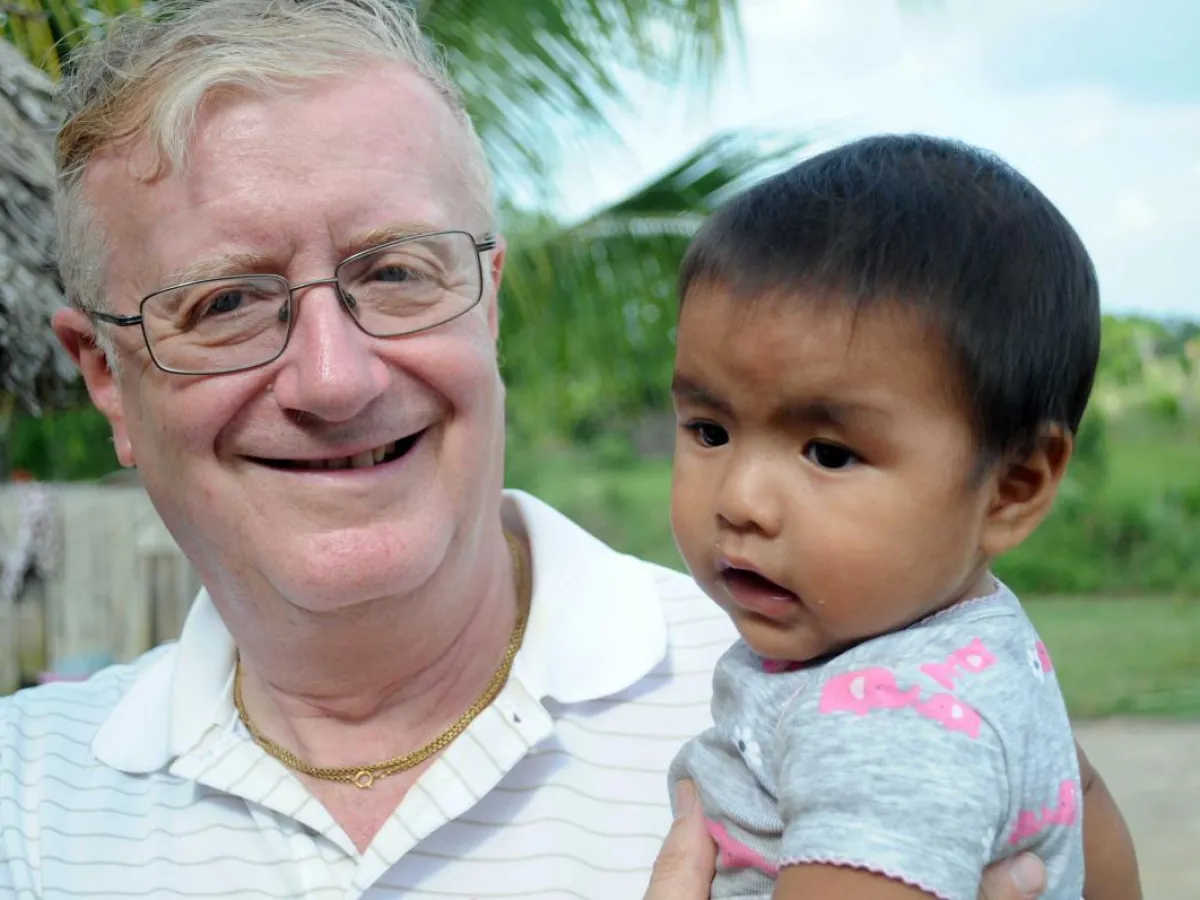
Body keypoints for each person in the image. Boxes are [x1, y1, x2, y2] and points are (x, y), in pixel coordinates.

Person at [0, 1, 1115, 897]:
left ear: (487, 304)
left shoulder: (845, 677)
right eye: (228, 302)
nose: (335, 378)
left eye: (396, 272)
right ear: (105, 374)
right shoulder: (24, 800)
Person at [666, 136, 1142, 899]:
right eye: (710, 432)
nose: (739, 500)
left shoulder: (890, 725)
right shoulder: (968, 644)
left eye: (827, 452)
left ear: (1012, 488)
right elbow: (1077, 798)